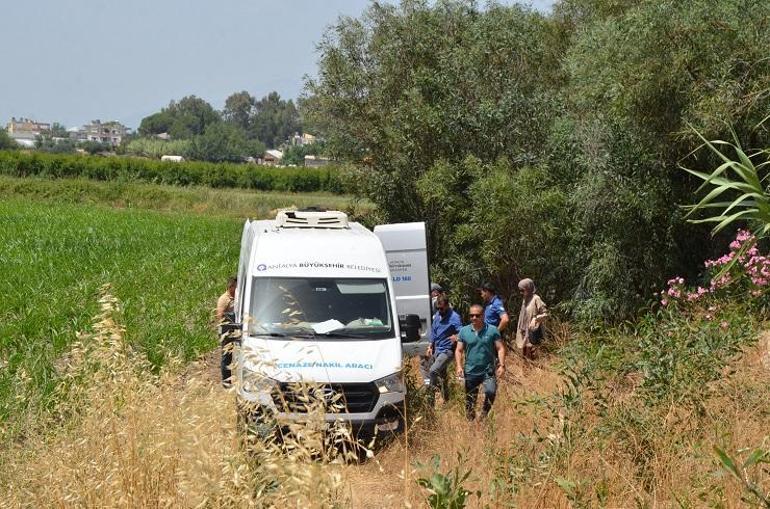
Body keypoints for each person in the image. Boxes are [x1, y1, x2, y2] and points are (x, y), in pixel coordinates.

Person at [455, 304, 505, 421]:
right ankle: (471, 424)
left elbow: (500, 348)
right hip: (470, 371)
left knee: (491, 392)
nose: (474, 318)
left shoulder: (492, 330)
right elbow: (459, 350)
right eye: (471, 315)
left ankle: (483, 415)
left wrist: (502, 365)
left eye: (477, 315)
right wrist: (458, 366)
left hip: (488, 370)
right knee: (470, 401)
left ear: (483, 316)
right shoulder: (464, 331)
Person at [420, 294, 462, 404]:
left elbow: (462, 333)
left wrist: (456, 337)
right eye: (438, 308)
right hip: (437, 349)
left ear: (447, 305)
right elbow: (433, 332)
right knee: (443, 376)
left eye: (442, 308)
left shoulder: (454, 317)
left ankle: (430, 399)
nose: (440, 310)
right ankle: (447, 400)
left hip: (447, 351)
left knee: (433, 370)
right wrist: (430, 346)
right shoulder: (437, 316)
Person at [515, 278, 548, 360]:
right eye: (520, 290)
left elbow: (545, 314)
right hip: (523, 332)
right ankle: (525, 372)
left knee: (532, 357)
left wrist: (536, 319)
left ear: (528, 288)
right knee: (524, 357)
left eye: (522, 290)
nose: (521, 293)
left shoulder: (536, 298)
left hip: (532, 333)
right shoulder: (525, 299)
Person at [216, 276, 237, 387]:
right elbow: (220, 315)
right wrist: (232, 318)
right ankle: (226, 383)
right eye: (236, 286)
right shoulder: (224, 299)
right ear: (231, 286)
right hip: (226, 331)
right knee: (226, 357)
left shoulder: (237, 297)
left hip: (236, 329)